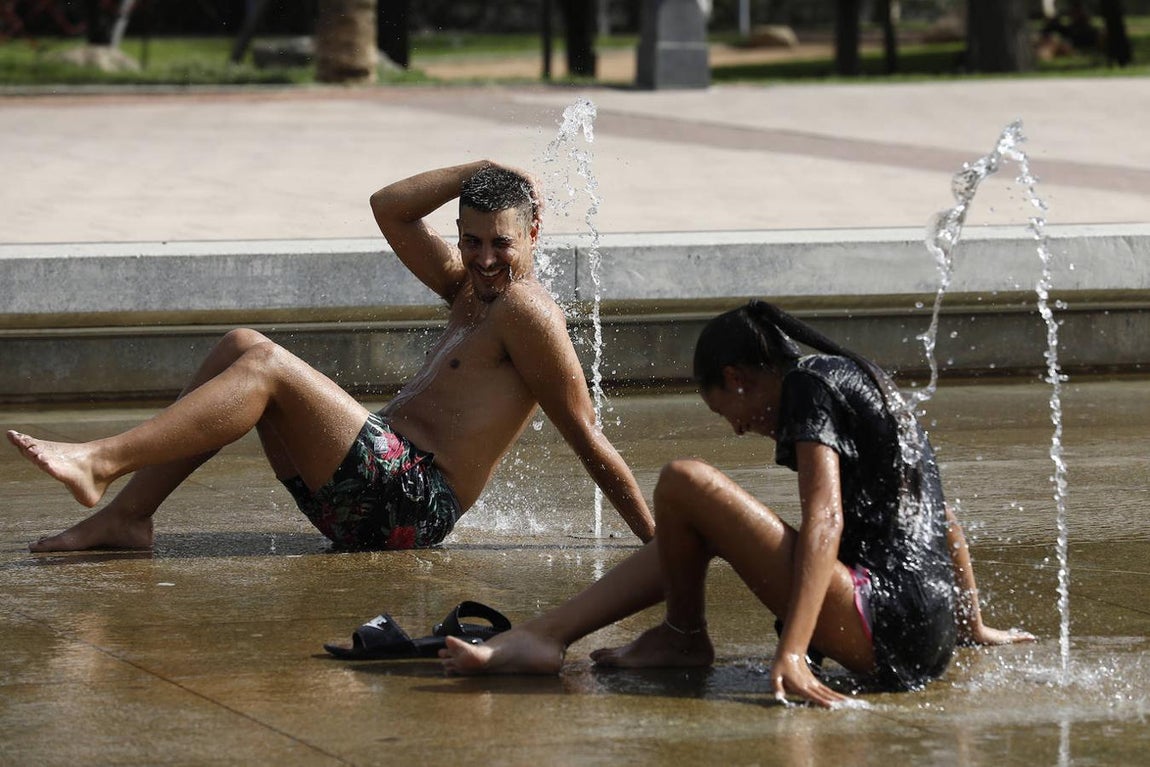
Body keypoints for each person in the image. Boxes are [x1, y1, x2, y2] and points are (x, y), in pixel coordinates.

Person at [8, 161, 654, 553]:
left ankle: (101, 460)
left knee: (264, 369)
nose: (484, 258)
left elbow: (587, 435)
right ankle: (127, 515)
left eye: (501, 244)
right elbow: (390, 210)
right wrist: (478, 170)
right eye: (471, 239)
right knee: (242, 343)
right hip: (373, 486)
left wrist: (660, 545)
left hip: (411, 504)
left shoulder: (527, 311)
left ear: (534, 231)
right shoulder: (468, 288)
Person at [441, 300, 1034, 707]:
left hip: (880, 621)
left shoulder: (808, 385)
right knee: (690, 517)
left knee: (683, 482)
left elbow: (827, 516)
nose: (738, 429)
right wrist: (969, 626)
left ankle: (670, 636)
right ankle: (556, 634)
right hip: (922, 630)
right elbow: (940, 517)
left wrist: (795, 653)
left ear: (739, 377)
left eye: (727, 410)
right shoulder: (858, 379)